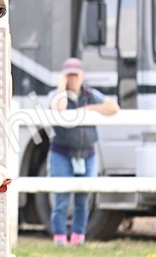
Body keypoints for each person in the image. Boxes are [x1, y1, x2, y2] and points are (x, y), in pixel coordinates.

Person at [47, 58, 119, 246]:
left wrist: (89, 109)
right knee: (62, 198)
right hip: (62, 151)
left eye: (75, 75)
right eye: (68, 76)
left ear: (82, 76)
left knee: (83, 198)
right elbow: (60, 107)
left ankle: (79, 237)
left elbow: (113, 107)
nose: (72, 79)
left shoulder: (89, 95)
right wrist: (61, 86)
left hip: (86, 152)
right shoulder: (56, 95)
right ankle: (60, 238)